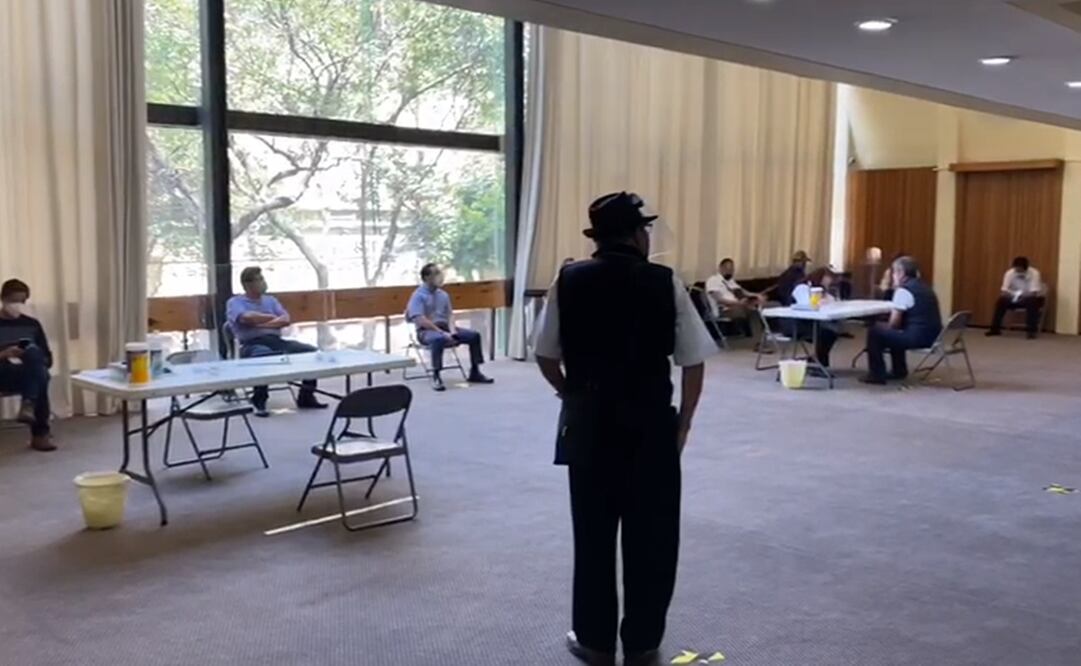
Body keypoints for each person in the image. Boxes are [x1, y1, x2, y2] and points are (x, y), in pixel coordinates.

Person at [533, 192, 713, 666]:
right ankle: (642, 643)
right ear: (637, 235)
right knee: (652, 536)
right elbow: (693, 362)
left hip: (590, 424)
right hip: (650, 426)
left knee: (592, 535)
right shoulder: (663, 281)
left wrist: (571, 393)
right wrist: (683, 425)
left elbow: (545, 355)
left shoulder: (567, 280)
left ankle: (594, 641)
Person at [225, 267, 326, 417]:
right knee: (263, 356)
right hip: (251, 344)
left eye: (262, 278)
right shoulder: (235, 302)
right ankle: (259, 400)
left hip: (276, 341)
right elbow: (246, 318)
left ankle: (306, 396)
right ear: (247, 284)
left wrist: (260, 324)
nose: (263, 282)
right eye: (259, 279)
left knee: (311, 352)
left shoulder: (270, 300)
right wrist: (271, 318)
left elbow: (285, 320)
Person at [406, 263, 494, 392]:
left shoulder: (443, 294)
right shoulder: (418, 296)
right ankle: (436, 375)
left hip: (446, 328)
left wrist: (452, 330)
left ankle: (475, 371)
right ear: (426, 277)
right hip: (427, 331)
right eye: (435, 273)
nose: (440, 276)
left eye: (439, 273)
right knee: (438, 339)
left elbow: (450, 315)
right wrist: (441, 332)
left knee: (474, 336)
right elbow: (420, 319)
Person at [861, 256, 943, 385]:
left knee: (875, 332)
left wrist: (881, 325)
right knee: (894, 333)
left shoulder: (903, 291)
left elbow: (894, 323)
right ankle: (899, 370)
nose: (893, 276)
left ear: (901, 273)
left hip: (918, 337)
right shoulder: (926, 287)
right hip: (934, 336)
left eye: (894, 272)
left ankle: (876, 374)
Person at [0, 279, 55, 451]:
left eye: (22, 301)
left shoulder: (31, 324)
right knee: (41, 378)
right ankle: (39, 431)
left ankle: (29, 404)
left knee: (32, 352)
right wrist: (4, 354)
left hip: (26, 372)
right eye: (14, 301)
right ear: (3, 299)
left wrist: (29, 354)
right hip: (3, 372)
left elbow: (47, 359)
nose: (18, 305)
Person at [788, 267, 841, 370]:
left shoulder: (820, 291)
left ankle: (819, 361)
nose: (829, 282)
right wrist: (822, 300)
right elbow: (808, 305)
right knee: (827, 333)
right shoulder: (801, 288)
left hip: (811, 323)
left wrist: (826, 297)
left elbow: (833, 301)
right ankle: (819, 363)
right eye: (828, 278)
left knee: (832, 331)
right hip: (796, 324)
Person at [986, 256, 1045, 339]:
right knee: (1001, 301)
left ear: (1026, 268)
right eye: (1017, 270)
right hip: (1014, 297)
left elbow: (1033, 293)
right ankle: (995, 329)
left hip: (1030, 297)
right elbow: (1004, 290)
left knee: (1032, 301)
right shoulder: (1010, 273)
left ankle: (1031, 331)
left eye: (1020, 270)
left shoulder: (1034, 273)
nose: (1018, 272)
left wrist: (1022, 296)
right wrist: (1011, 295)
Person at [705, 258, 764, 337]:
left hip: (737, 305)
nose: (730, 271)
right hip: (724, 309)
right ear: (720, 268)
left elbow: (743, 292)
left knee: (759, 305)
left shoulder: (730, 281)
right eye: (727, 269)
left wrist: (756, 295)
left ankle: (759, 337)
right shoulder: (713, 280)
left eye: (732, 269)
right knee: (751, 310)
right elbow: (719, 300)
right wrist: (738, 303)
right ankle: (754, 338)